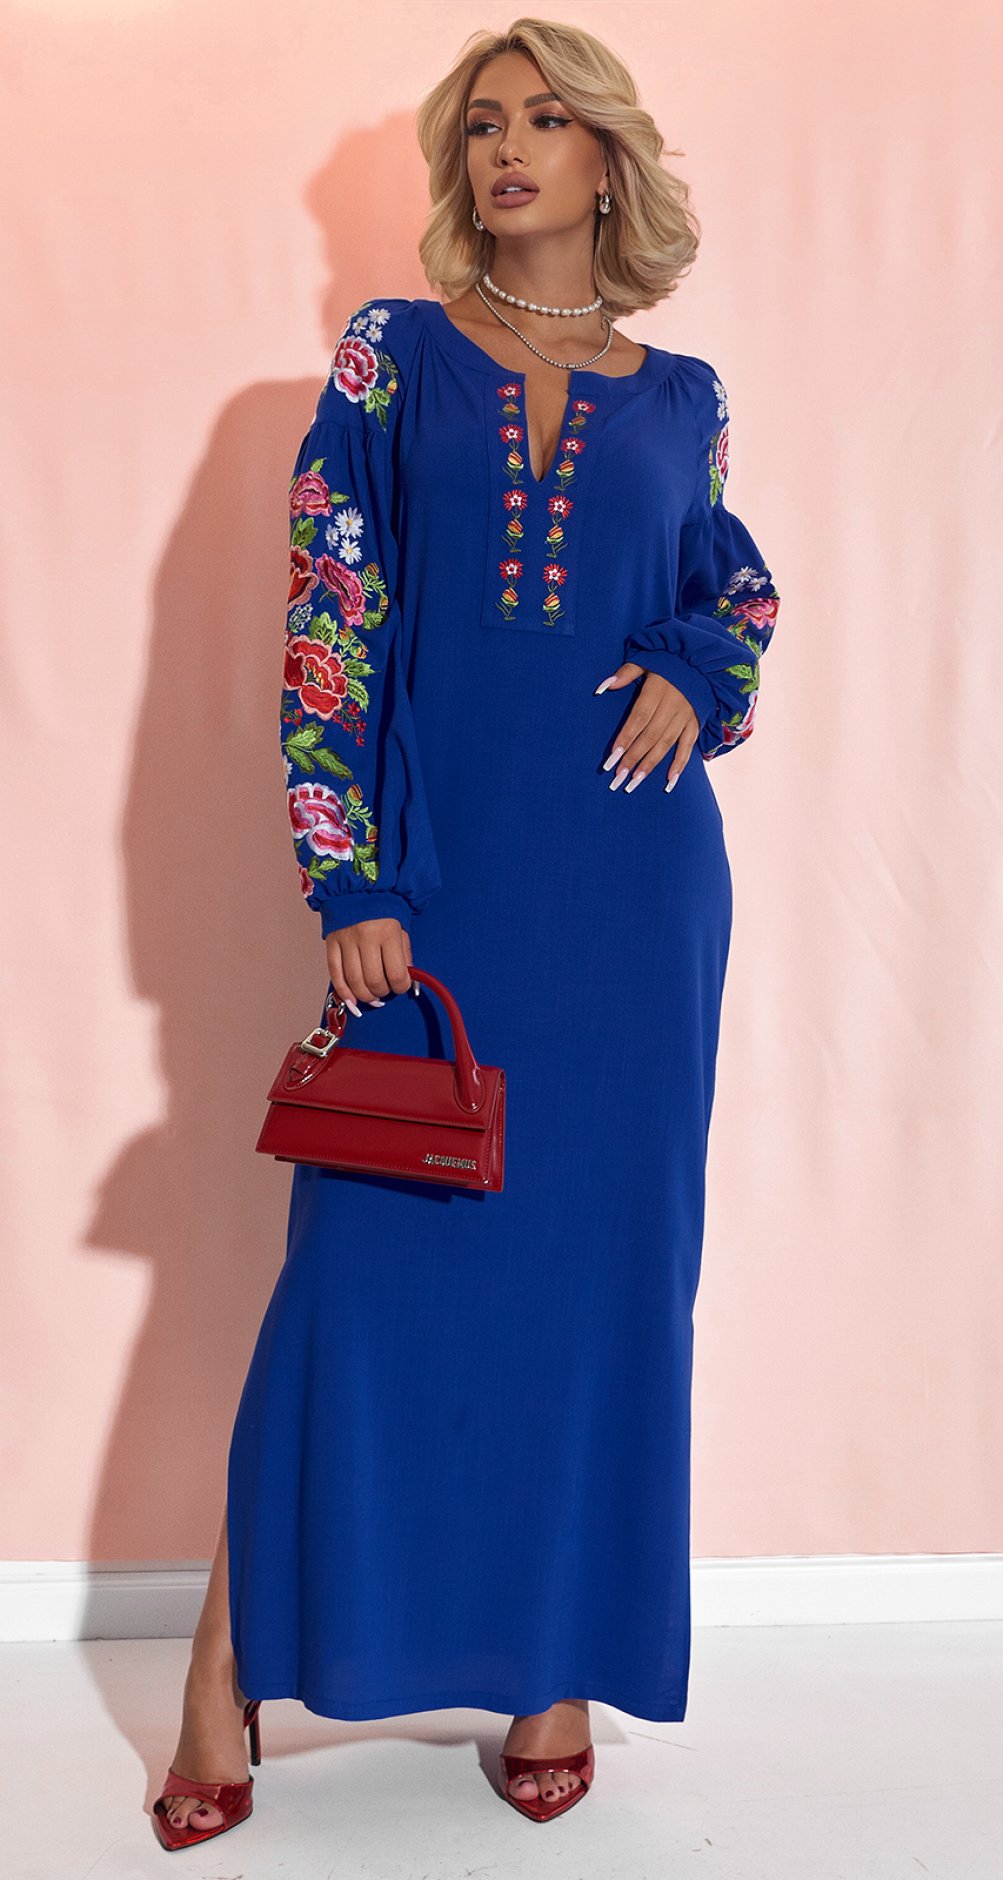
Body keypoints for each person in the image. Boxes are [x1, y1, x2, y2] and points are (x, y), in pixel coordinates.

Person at [152, 17, 780, 1850]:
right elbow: (330, 615)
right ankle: (223, 1667)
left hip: (634, 909)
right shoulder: (391, 354)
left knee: (599, 1293)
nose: (510, 148)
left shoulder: (687, 398)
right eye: (485, 124)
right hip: (441, 893)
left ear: (609, 161)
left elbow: (734, 584)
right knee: (353, 1281)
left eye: (547, 121)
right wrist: (348, 877)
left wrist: (695, 668)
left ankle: (549, 1670)